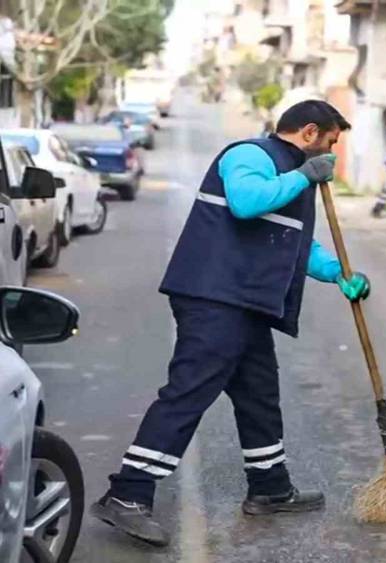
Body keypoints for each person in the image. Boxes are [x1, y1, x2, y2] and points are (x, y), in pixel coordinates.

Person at [90, 100, 370, 547]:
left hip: (246, 302)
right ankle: (127, 494)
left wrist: (340, 273)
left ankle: (270, 488)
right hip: (213, 296)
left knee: (259, 393)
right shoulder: (249, 155)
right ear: (311, 131)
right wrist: (304, 175)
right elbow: (245, 203)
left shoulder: (294, 178)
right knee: (189, 391)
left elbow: (294, 241)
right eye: (331, 142)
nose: (333, 152)